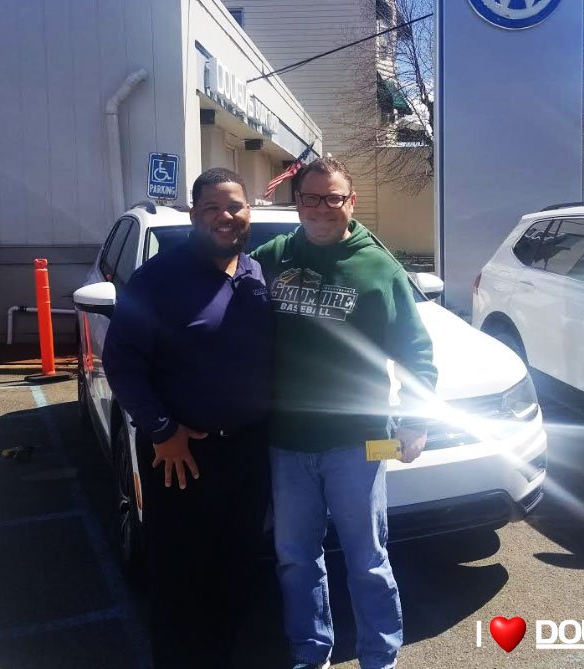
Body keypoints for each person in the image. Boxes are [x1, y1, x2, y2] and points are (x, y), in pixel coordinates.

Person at [251, 156, 438, 669]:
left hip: (358, 443)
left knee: (368, 561)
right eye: (311, 197)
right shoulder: (271, 257)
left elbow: (416, 352)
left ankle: (381, 656)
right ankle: (311, 653)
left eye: (333, 198)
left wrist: (417, 422)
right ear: (297, 202)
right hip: (287, 443)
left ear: (350, 203)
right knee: (295, 560)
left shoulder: (378, 268)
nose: (321, 208)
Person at [102, 168, 273, 668]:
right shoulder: (158, 280)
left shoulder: (257, 277)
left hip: (246, 452)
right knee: (180, 576)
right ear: (195, 214)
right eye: (213, 208)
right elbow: (122, 363)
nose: (225, 216)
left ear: (248, 213)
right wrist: (163, 430)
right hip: (180, 456)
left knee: (236, 570)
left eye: (235, 206)